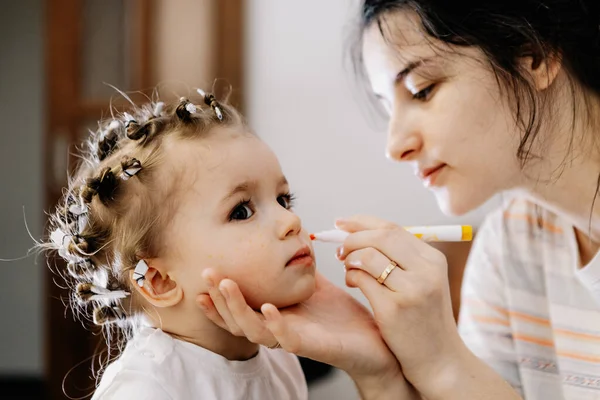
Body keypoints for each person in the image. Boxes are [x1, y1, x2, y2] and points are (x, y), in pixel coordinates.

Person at [197, 1, 600, 399]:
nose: (395, 146)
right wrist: (379, 373)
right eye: (388, 108)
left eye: (421, 91)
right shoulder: (510, 247)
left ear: (535, 54)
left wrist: (442, 361)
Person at [44, 90, 316, 399]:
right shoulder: (145, 390)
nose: (290, 221)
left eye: (284, 199)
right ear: (158, 281)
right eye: (241, 211)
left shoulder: (281, 359)